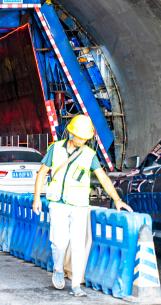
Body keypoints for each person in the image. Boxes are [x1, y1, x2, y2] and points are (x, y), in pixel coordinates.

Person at [33, 114, 132, 297]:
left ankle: (76, 285)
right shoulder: (55, 150)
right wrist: (37, 198)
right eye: (80, 137)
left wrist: (116, 199)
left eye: (86, 138)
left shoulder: (89, 155)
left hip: (79, 205)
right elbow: (41, 173)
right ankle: (57, 268)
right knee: (59, 243)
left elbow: (103, 177)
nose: (83, 141)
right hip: (57, 203)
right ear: (71, 133)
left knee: (78, 245)